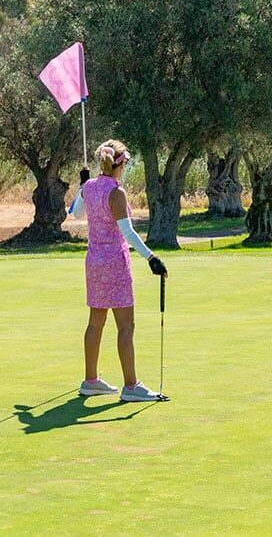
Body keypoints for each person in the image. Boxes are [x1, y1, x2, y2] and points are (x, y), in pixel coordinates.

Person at [70, 140, 168, 402]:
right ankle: (131, 386)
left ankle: (90, 381)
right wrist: (151, 258)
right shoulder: (117, 192)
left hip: (94, 263)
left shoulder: (90, 187)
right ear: (121, 163)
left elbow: (75, 214)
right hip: (114, 263)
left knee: (95, 322)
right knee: (126, 326)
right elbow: (127, 232)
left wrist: (82, 187)